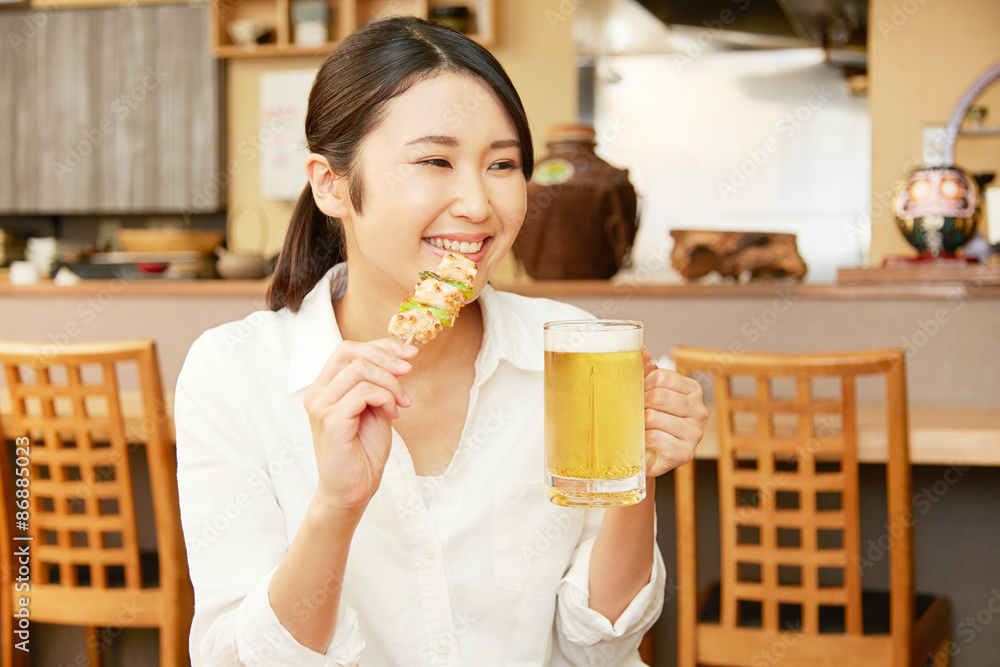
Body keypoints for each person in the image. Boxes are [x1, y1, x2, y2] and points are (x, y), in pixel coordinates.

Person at [174, 16, 707, 666]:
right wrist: (335, 508)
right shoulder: (234, 374)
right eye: (435, 160)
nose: (479, 204)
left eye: (502, 164)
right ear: (330, 184)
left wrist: (636, 475)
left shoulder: (577, 351)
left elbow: (599, 645)